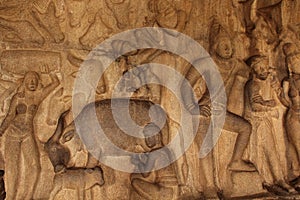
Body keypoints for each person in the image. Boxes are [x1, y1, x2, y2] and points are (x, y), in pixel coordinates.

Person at [0, 70, 60, 199]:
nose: (32, 82)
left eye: (35, 80)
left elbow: (55, 83)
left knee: (35, 167)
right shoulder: (18, 97)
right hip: (13, 134)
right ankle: (11, 196)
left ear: (38, 82)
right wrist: (1, 131)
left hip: (28, 133)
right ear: (25, 82)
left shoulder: (38, 96)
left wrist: (51, 71)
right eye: (29, 80)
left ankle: (28, 196)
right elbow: (10, 116)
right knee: (12, 167)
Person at [244, 55, 296, 195]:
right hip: (256, 124)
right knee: (260, 153)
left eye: (266, 67)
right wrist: (268, 107)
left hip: (264, 122)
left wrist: (275, 85)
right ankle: (267, 181)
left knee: (271, 151)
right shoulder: (252, 85)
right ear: (253, 70)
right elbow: (255, 105)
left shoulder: (265, 83)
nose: (265, 70)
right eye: (260, 68)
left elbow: (281, 98)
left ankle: (278, 179)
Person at [130, 123, 179, 200]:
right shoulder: (167, 150)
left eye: (149, 137)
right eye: (146, 137)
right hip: (175, 190)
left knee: (135, 182)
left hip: (164, 191)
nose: (147, 140)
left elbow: (145, 174)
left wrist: (138, 162)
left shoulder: (154, 153)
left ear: (157, 137)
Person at [282, 43, 300, 191]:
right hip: (294, 114)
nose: (296, 65)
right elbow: (285, 101)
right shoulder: (287, 82)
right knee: (296, 145)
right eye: (293, 63)